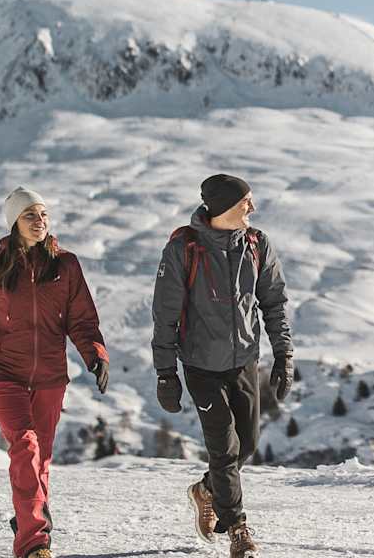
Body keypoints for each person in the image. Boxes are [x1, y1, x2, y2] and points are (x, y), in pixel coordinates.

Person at [0, 186, 110, 558]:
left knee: (40, 459)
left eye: (44, 214)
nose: (40, 221)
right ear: (14, 222)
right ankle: (35, 543)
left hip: (50, 378)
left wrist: (95, 355)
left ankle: (29, 518)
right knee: (26, 446)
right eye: (30, 215)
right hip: (4, 375)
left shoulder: (65, 266)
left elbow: (82, 320)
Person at [153, 174, 294, 558]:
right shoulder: (185, 248)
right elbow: (164, 315)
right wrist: (165, 373)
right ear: (223, 207)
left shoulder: (257, 244)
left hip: (244, 363)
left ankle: (205, 490)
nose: (252, 207)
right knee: (224, 449)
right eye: (245, 201)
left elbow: (274, 303)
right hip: (201, 366)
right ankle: (238, 529)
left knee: (246, 443)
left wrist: (283, 354)